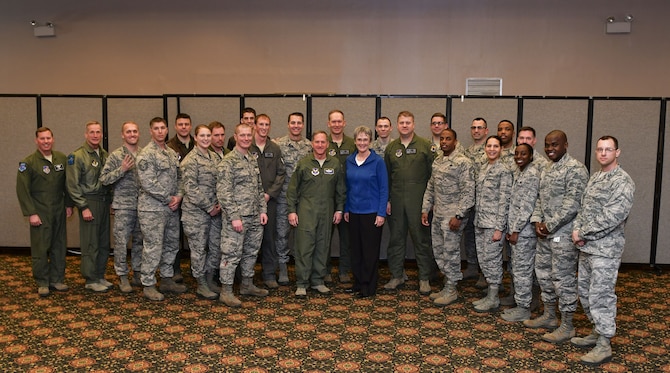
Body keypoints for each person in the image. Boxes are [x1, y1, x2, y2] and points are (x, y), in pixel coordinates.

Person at [571, 136, 635, 365]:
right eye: (600, 149)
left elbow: (612, 217)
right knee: (586, 293)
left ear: (617, 152)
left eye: (608, 149)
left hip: (605, 251)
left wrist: (582, 233)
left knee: (601, 296)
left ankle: (605, 343)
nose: (603, 153)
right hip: (587, 247)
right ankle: (597, 330)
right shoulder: (596, 177)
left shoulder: (622, 181)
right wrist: (577, 231)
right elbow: (583, 208)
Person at [525, 130, 589, 344]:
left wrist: (549, 225)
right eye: (547, 145)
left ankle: (567, 325)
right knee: (543, 274)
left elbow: (573, 204)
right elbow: (539, 199)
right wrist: (536, 221)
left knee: (563, 279)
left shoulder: (576, 169)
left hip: (563, 235)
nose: (550, 148)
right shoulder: (548, 168)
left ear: (566, 145)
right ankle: (550, 316)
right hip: (544, 234)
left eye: (555, 144)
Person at [287, 131, 346, 297]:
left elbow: (340, 190)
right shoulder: (304, 164)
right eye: (317, 142)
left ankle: (318, 280)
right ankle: (302, 282)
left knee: (323, 246)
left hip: (327, 210)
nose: (320, 145)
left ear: (327, 144)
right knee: (304, 247)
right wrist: (292, 211)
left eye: (323, 142)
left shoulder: (334, 164)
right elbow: (292, 190)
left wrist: (339, 209)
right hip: (306, 210)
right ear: (312, 144)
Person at [16, 127, 74, 297]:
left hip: (58, 209)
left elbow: (68, 184)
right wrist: (31, 213)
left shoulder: (61, 159)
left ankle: (57, 279)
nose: (46, 141)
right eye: (42, 138)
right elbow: (22, 190)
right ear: (36, 141)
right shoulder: (28, 163)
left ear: (53, 139)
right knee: (41, 248)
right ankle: (42, 281)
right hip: (40, 211)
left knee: (59, 245)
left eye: (48, 138)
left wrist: (69, 204)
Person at [384, 111, 436, 294]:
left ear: (413, 125)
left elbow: (434, 176)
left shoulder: (425, 146)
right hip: (397, 199)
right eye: (401, 123)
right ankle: (396, 275)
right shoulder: (391, 148)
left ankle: (424, 278)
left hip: (418, 199)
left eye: (408, 122)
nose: (405, 125)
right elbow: (387, 177)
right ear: (397, 126)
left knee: (421, 239)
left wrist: (431, 202)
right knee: (396, 239)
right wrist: (388, 199)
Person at [217, 123, 269, 307]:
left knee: (250, 252)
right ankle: (226, 291)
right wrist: (234, 216)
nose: (246, 138)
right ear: (236, 137)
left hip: (254, 215)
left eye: (249, 135)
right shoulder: (228, 162)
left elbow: (259, 188)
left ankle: (247, 284)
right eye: (243, 135)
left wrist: (263, 210)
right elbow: (224, 193)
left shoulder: (252, 159)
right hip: (237, 218)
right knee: (231, 254)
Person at [421, 128, 474, 306]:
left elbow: (468, 192)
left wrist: (459, 216)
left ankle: (452, 289)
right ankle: (447, 284)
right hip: (438, 214)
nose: (444, 142)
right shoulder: (438, 161)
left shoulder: (463, 162)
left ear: (455, 141)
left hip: (453, 216)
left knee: (451, 253)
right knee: (439, 251)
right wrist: (425, 208)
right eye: (442, 139)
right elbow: (431, 187)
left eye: (448, 139)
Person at [136, 117, 186, 301]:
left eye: (162, 128)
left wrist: (179, 196)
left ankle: (166, 279)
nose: (160, 131)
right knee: (152, 247)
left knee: (171, 244)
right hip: (152, 209)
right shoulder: (146, 154)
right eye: (156, 128)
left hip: (171, 208)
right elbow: (148, 182)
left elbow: (181, 177)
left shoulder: (172, 154)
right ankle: (148, 284)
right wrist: (169, 198)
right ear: (150, 131)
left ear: (166, 130)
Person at [66, 121, 112, 292]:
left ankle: (100, 274)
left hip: (103, 201)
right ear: (86, 134)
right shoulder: (77, 156)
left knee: (103, 242)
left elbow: (108, 180)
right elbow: (72, 185)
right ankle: (90, 279)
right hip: (89, 202)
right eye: (91, 132)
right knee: (90, 242)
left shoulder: (104, 154)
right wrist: (83, 206)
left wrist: (111, 201)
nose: (95, 135)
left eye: (98, 132)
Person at [343, 126, 388, 298]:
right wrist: (346, 208)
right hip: (354, 211)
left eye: (365, 139)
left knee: (369, 252)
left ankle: (368, 287)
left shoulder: (377, 162)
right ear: (355, 141)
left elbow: (384, 189)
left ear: (370, 141)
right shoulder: (349, 160)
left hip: (372, 213)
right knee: (356, 251)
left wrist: (381, 213)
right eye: (359, 139)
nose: (362, 143)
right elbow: (348, 187)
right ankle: (358, 283)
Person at [99, 121, 143, 293]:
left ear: (138, 134)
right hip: (123, 207)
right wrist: (122, 169)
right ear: (122, 135)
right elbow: (104, 179)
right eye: (128, 132)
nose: (132, 134)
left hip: (142, 206)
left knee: (140, 242)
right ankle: (123, 277)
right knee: (121, 243)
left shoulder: (143, 154)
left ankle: (138, 273)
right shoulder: (116, 156)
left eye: (135, 131)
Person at [471, 136, 513, 312]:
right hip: (480, 221)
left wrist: (499, 228)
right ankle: (490, 292)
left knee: (493, 260)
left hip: (493, 224)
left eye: (496, 146)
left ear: (501, 149)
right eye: (489, 146)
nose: (492, 149)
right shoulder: (483, 168)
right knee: (484, 260)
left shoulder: (504, 170)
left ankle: (494, 297)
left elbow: (504, 200)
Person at [180, 125, 222, 300]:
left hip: (215, 211)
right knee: (198, 249)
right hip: (195, 213)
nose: (206, 138)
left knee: (215, 246)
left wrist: (218, 204)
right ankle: (201, 284)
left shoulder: (214, 157)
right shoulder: (190, 160)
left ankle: (210, 278)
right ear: (195, 138)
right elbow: (190, 188)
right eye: (202, 136)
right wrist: (209, 207)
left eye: (208, 135)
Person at [500, 143, 540, 322]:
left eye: (523, 154)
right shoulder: (518, 172)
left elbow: (527, 206)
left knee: (522, 270)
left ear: (531, 156)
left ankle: (524, 308)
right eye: (516, 153)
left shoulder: (531, 174)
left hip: (524, 232)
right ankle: (521, 303)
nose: (519, 156)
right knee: (517, 268)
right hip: (515, 229)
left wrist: (515, 230)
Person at [274, 112, 312, 285]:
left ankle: (301, 269)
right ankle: (282, 269)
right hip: (283, 197)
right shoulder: (278, 145)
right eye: (293, 123)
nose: (296, 126)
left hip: (304, 198)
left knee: (303, 236)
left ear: (303, 125)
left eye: (299, 123)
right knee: (282, 234)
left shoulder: (309, 146)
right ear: (288, 124)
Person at [250, 114, 286, 289]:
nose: (264, 127)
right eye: (261, 124)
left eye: (267, 124)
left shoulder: (275, 148)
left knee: (269, 238)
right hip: (248, 201)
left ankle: (269, 274)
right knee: (248, 238)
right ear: (255, 125)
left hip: (269, 201)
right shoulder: (246, 146)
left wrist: (269, 194)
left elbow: (281, 173)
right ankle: (246, 276)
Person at [326, 110, 356, 284]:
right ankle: (325, 270)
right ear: (328, 124)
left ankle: (344, 270)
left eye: (339, 121)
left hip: (348, 197)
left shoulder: (352, 144)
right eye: (333, 122)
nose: (336, 124)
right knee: (324, 238)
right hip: (327, 197)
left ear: (344, 123)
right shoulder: (322, 143)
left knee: (347, 238)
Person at [166, 113, 194, 283]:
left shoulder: (199, 144)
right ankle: (175, 270)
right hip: (175, 199)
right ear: (175, 127)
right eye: (180, 124)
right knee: (174, 237)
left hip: (194, 200)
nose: (183, 127)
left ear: (190, 126)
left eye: (186, 124)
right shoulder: (169, 147)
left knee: (196, 238)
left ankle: (195, 269)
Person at [462, 118, 489, 288]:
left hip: (485, 202)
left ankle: (486, 273)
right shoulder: (466, 152)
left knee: (485, 240)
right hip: (469, 201)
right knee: (470, 235)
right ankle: (472, 266)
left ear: (486, 131)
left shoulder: (491, 150)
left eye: (480, 128)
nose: (476, 131)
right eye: (473, 128)